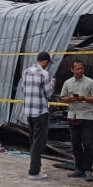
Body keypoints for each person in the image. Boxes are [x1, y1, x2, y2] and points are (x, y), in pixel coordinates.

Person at [60, 59, 93, 182]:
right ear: (72, 69)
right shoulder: (67, 83)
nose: (80, 70)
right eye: (77, 68)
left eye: (82, 68)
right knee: (75, 144)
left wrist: (84, 98)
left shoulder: (90, 82)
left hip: (86, 116)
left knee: (87, 144)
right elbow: (62, 98)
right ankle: (79, 169)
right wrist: (70, 99)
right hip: (73, 116)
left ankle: (88, 170)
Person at [22, 51, 55, 180]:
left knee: (33, 141)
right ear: (46, 61)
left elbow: (23, 90)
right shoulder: (44, 73)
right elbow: (48, 93)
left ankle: (35, 169)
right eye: (48, 63)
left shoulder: (26, 71)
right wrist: (52, 83)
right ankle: (34, 171)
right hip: (40, 112)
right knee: (38, 143)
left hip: (29, 111)